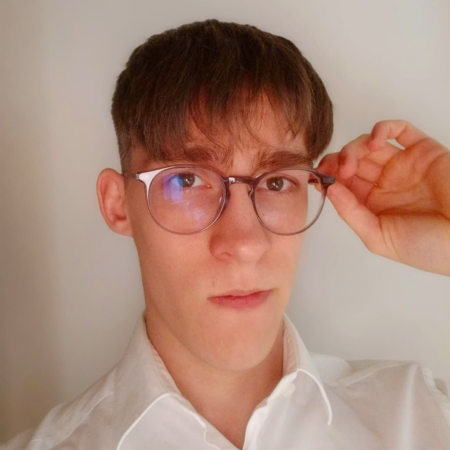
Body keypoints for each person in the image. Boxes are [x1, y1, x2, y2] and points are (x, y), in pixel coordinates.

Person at [3, 18, 450, 450]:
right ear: (118, 204)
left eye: (278, 182)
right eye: (187, 181)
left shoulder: (422, 416)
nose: (245, 243)